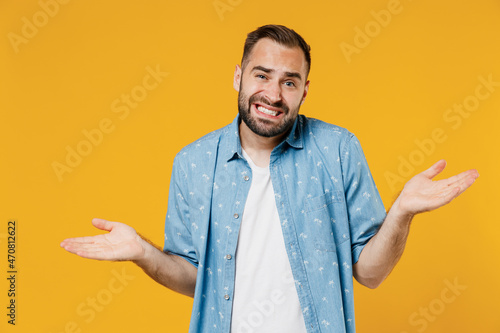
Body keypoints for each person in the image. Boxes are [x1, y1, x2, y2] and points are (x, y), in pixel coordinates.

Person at [60, 25, 479, 333]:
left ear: (304, 90)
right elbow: (196, 280)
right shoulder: (193, 163)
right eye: (261, 75)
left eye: (289, 82)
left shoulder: (337, 149)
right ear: (238, 77)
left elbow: (369, 273)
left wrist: (402, 212)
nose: (274, 95)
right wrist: (142, 252)